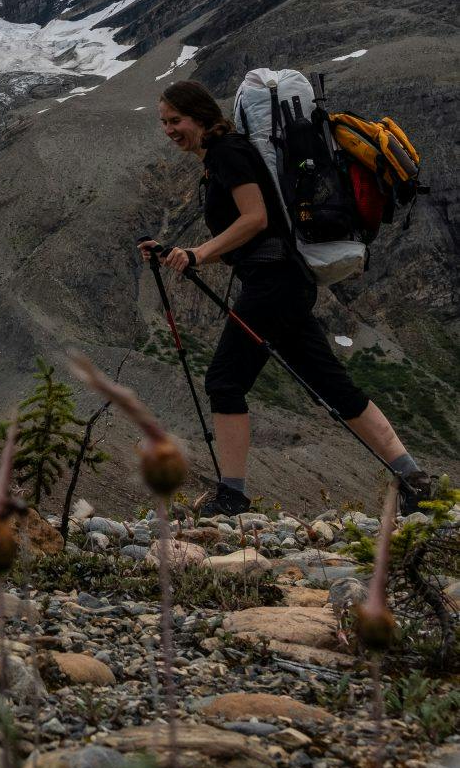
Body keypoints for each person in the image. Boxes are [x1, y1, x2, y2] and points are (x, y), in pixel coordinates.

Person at [141, 79, 432, 517]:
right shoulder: (224, 155)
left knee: (224, 380)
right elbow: (257, 231)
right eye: (163, 122)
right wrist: (177, 254)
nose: (169, 130)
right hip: (281, 281)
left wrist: (198, 253)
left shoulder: (227, 154)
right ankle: (415, 480)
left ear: (200, 117)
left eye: (175, 120)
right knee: (331, 385)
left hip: (274, 284)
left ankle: (232, 495)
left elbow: (255, 219)